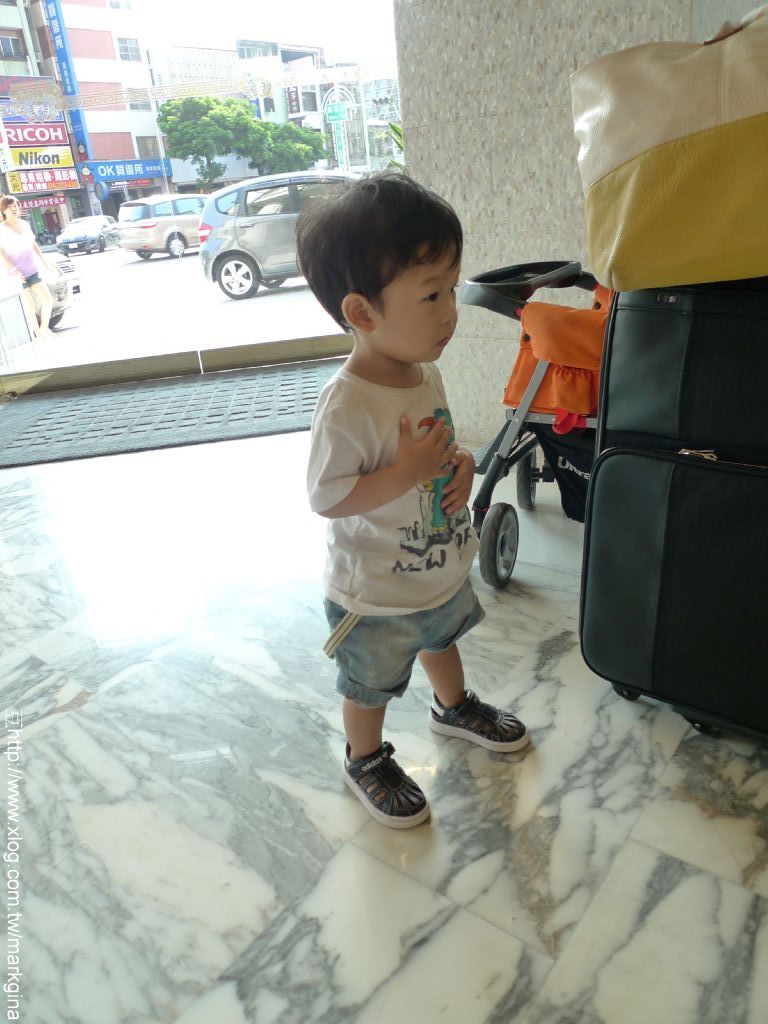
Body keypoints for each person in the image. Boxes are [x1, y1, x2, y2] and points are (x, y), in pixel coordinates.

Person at [300, 171, 530, 829]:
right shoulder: (347, 405)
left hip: (436, 565)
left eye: (452, 289)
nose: (450, 311)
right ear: (362, 313)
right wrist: (404, 472)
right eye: (431, 294)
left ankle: (453, 707)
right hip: (374, 591)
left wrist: (461, 464)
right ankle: (365, 758)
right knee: (369, 682)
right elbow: (327, 496)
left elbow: (443, 446)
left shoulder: (424, 372)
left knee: (441, 635)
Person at [0, 195, 54, 340]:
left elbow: (33, 244)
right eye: (9, 207)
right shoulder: (1, 229)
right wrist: (13, 269)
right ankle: (38, 336)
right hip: (16, 275)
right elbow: (1, 252)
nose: (14, 209)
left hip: (32, 270)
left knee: (47, 300)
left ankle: (43, 328)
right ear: (3, 210)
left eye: (16, 206)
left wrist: (44, 261)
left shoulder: (25, 224)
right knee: (29, 306)